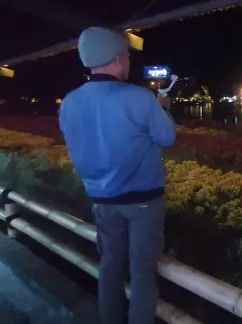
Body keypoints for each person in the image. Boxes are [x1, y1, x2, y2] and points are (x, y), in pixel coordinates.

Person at [59, 26, 176, 324]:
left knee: (109, 266)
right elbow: (167, 137)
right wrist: (164, 109)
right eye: (126, 56)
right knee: (142, 273)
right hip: (144, 202)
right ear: (115, 58)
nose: (128, 63)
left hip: (101, 200)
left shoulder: (70, 101)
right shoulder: (138, 97)